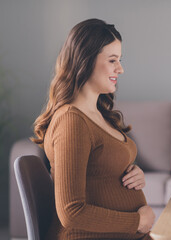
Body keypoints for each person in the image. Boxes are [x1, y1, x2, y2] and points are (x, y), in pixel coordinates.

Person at [31, 18, 155, 240]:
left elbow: (99, 171)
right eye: (112, 60)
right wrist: (137, 221)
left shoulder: (98, 114)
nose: (121, 69)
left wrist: (132, 174)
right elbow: (72, 212)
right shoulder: (71, 121)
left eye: (120, 60)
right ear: (85, 60)